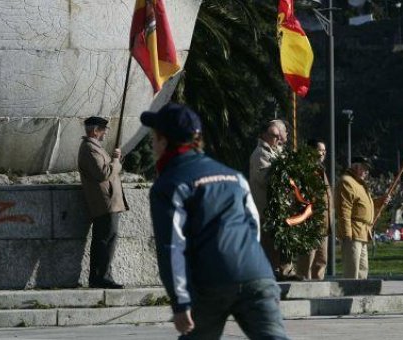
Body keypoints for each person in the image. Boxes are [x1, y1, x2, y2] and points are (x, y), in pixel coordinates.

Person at [141, 103, 288, 339]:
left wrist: (180, 302)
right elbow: (253, 226)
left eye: (154, 136)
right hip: (258, 275)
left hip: (212, 282)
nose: (151, 143)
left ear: (164, 141)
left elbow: (172, 247)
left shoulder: (169, 185)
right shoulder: (233, 176)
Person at [78, 116, 128, 289]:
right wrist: (115, 161)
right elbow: (103, 173)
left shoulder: (95, 148)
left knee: (107, 238)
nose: (106, 132)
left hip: (108, 201)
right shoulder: (90, 149)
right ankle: (101, 277)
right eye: (103, 129)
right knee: (106, 239)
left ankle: (101, 276)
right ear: (95, 130)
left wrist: (115, 160)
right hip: (104, 202)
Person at [249, 120, 299, 281]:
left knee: (283, 242)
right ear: (264, 135)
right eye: (274, 136)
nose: (278, 139)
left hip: (281, 209)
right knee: (269, 244)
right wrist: (283, 171)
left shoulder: (276, 151)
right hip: (266, 209)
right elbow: (264, 179)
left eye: (279, 136)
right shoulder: (259, 154)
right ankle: (272, 272)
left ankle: (286, 270)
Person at [336, 156, 388, 279]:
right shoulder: (347, 182)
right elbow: (345, 211)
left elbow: (363, 206)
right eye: (365, 168)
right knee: (352, 272)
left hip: (363, 233)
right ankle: (350, 295)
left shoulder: (359, 184)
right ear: (356, 166)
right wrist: (347, 235)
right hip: (353, 234)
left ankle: (359, 296)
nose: (367, 172)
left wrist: (381, 201)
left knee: (362, 271)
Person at [296, 139, 332, 280]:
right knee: (307, 261)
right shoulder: (304, 168)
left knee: (321, 260)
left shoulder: (322, 170)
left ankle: (319, 290)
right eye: (319, 150)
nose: (322, 153)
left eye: (324, 151)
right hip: (310, 223)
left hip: (323, 225)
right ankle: (303, 289)